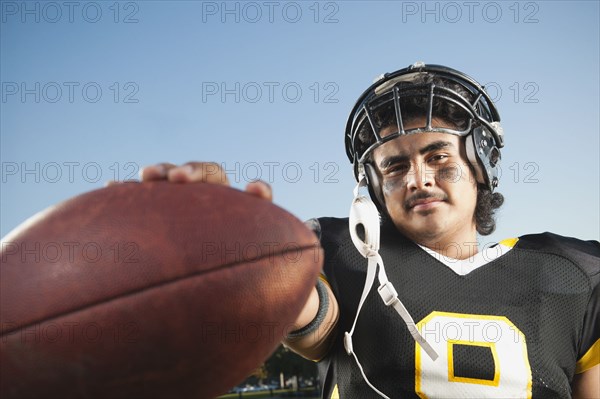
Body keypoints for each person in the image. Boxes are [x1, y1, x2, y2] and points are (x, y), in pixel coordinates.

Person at [139, 63, 599, 398]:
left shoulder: (575, 275)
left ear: (479, 167)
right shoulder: (343, 252)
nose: (418, 178)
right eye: (396, 166)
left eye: (438, 156)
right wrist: (242, 250)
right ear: (374, 189)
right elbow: (306, 313)